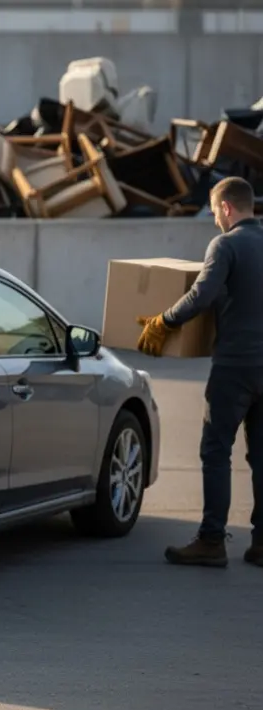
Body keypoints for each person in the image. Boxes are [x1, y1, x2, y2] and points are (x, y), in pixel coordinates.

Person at [136, 176, 263, 568]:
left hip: (235, 367)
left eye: (214, 212)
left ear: (226, 207)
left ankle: (211, 541)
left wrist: (163, 321)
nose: (215, 220)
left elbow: (201, 295)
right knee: (262, 455)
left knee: (215, 451)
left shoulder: (225, 245)